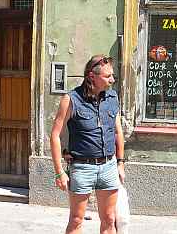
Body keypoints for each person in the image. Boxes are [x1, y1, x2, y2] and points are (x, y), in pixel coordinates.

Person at [50, 55, 125, 234]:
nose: (112, 80)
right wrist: (59, 172)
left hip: (108, 166)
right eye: (108, 76)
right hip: (82, 167)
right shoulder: (71, 99)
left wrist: (120, 163)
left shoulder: (112, 97)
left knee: (109, 219)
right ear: (92, 76)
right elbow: (54, 135)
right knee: (76, 220)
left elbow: (118, 132)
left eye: (112, 75)